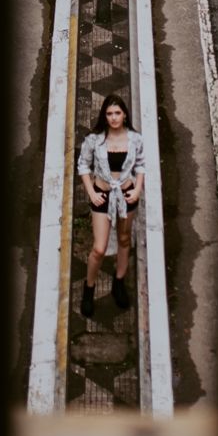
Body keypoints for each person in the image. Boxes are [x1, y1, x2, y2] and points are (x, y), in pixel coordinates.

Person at [76, 94, 145, 320]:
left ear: (124, 115)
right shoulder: (95, 140)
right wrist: (92, 192)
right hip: (103, 196)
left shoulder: (134, 139)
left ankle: (119, 282)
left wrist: (137, 189)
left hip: (127, 194)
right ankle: (89, 288)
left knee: (125, 239)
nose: (114, 117)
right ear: (104, 116)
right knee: (99, 248)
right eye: (109, 113)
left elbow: (141, 165)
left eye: (117, 113)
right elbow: (83, 166)